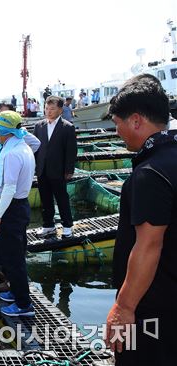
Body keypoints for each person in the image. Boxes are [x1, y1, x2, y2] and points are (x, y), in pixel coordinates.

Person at [104, 74, 177, 365]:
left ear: (136, 121)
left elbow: (148, 246)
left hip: (153, 305)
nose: (117, 131)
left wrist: (124, 306)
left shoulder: (149, 173)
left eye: (117, 123)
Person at [0, 110, 36, 317]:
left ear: (3, 132)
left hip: (11, 208)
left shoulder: (13, 153)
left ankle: (24, 305)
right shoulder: (22, 146)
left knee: (14, 259)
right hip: (18, 206)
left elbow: (9, 188)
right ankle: (16, 292)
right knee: (14, 254)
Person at [33, 96, 77, 238]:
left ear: (60, 109)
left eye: (52, 109)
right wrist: (35, 167)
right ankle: (48, 225)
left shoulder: (67, 127)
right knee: (45, 199)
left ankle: (67, 226)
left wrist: (69, 170)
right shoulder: (39, 126)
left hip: (59, 170)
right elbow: (35, 148)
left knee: (62, 198)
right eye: (46, 108)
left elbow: (71, 151)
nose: (48, 111)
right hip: (42, 169)